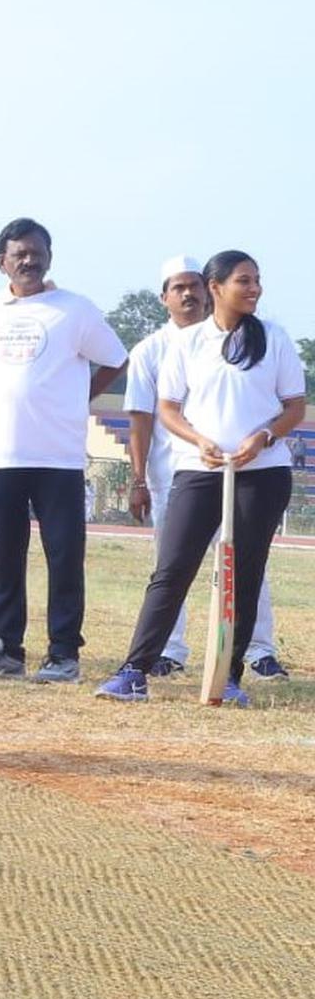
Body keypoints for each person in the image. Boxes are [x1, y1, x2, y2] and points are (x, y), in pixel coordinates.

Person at [97, 251, 305, 705]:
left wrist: (265, 437)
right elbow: (168, 410)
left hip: (261, 475)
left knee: (244, 575)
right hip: (199, 470)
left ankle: (227, 678)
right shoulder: (186, 343)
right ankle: (134, 670)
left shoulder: (273, 338)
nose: (254, 289)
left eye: (256, 280)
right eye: (243, 281)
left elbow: (294, 406)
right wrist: (199, 441)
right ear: (217, 287)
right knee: (171, 571)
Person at [0, 217, 127, 683]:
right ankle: (6, 649)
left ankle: (64, 653)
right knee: (5, 554)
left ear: (49, 255)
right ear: (1, 262)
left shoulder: (75, 309)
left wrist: (80, 396)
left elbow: (116, 358)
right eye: (19, 254)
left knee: (63, 555)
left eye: (36, 252)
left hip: (58, 456)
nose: (29, 260)